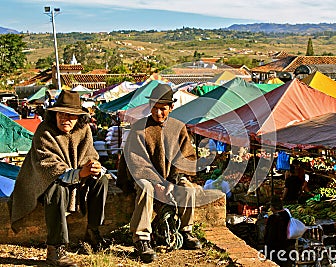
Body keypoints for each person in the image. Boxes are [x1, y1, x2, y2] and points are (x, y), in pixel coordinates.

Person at [9, 90, 109, 267]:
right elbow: (48, 168)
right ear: (54, 115)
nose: (66, 119)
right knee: (57, 187)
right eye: (61, 114)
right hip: (40, 183)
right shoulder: (45, 131)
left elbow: (89, 156)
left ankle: (93, 230)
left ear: (79, 118)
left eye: (71, 115)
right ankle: (56, 249)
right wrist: (79, 174)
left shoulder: (84, 131)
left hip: (75, 179)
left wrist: (95, 168)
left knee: (101, 180)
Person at [117, 83, 201, 263]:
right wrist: (156, 182)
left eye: (162, 109)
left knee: (188, 189)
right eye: (154, 108)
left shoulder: (178, 127)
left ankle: (186, 231)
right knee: (146, 188)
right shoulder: (139, 128)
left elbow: (186, 157)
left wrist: (174, 180)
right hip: (142, 178)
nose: (158, 113)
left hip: (170, 179)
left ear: (171, 107)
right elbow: (135, 161)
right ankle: (141, 238)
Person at [264, 195, 294, 267]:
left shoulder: (272, 218)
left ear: (273, 207)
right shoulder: (286, 214)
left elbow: (269, 234)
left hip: (275, 247)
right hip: (286, 245)